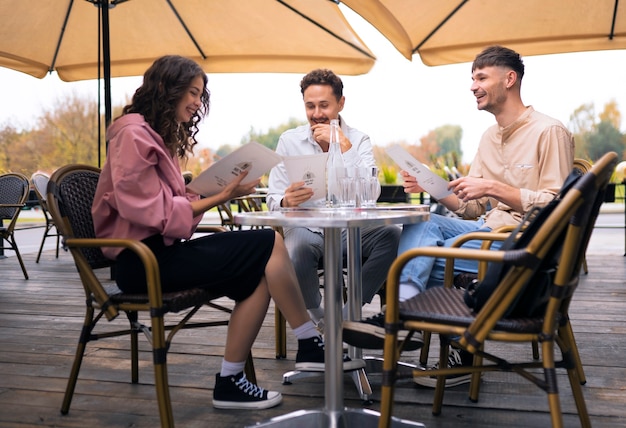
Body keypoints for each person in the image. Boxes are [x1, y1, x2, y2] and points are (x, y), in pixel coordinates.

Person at [91, 55, 357, 411]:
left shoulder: (149, 134)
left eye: (201, 95)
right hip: (143, 262)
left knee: (260, 270)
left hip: (160, 253)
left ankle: (233, 379)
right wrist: (220, 196)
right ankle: (308, 344)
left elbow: (166, 202)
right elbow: (147, 209)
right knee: (268, 242)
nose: (198, 103)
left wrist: (214, 190)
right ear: (166, 89)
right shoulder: (132, 135)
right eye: (193, 93)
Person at [343, 45, 575, 386]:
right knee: (421, 222)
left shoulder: (548, 131)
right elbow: (471, 208)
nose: (473, 86)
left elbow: (559, 208)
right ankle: (405, 306)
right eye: (472, 78)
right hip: (484, 229)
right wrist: (432, 185)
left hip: (522, 246)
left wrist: (495, 188)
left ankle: (455, 350)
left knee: (419, 258)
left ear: (509, 79)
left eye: (481, 77)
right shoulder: (488, 137)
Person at [266, 69, 416, 348]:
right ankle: (319, 320)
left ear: (340, 103)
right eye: (310, 106)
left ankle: (347, 319)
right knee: (296, 248)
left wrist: (343, 146)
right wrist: (287, 200)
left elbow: (371, 195)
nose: (317, 113)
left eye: (324, 105)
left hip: (349, 231)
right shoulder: (289, 140)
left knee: (393, 236)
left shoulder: (357, 140)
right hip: (306, 227)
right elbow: (273, 197)